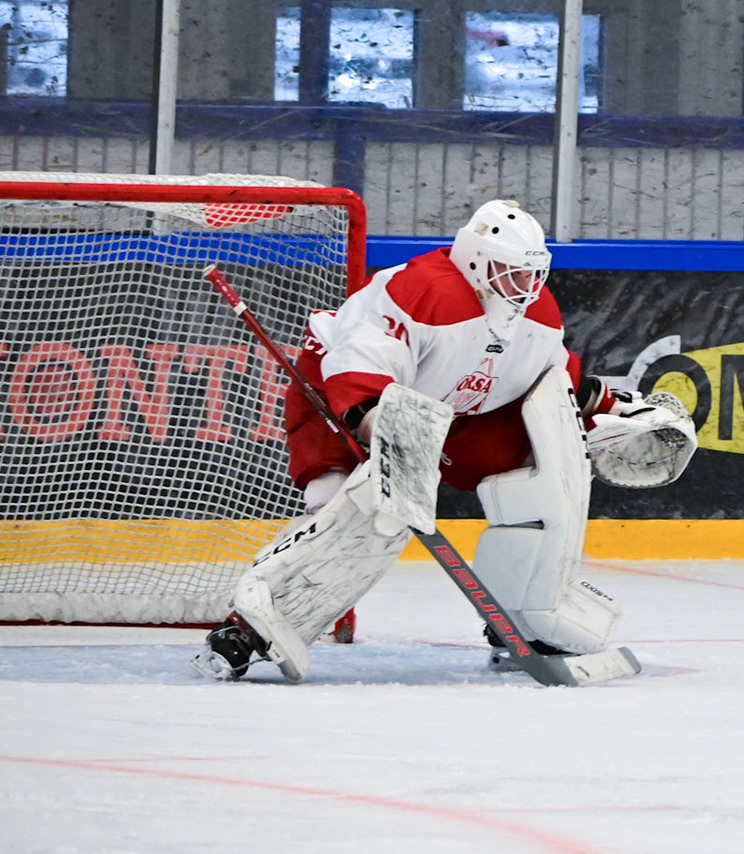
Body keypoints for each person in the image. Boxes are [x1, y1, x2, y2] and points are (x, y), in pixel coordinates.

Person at [192, 199, 698, 682]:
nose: (526, 286)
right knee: (361, 505)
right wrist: (388, 441)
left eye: (532, 273)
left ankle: (523, 616)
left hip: (450, 411)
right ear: (476, 261)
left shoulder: (536, 312)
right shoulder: (423, 290)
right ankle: (251, 628)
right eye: (512, 272)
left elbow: (554, 383)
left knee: (542, 473)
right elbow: (359, 365)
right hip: (341, 389)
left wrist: (615, 410)